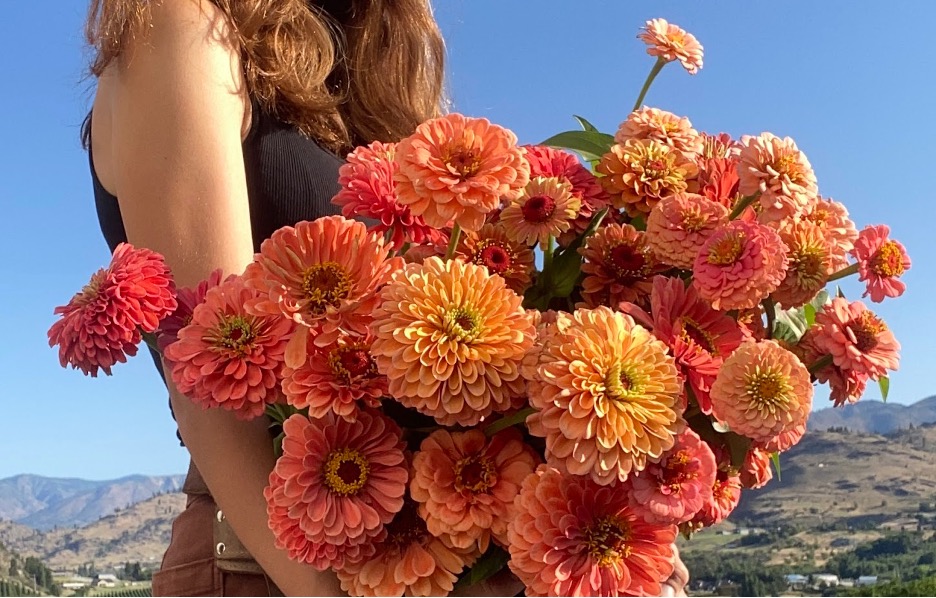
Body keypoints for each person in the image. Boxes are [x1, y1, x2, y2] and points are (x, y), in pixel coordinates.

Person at [82, 0, 689, 595]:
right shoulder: (181, 23)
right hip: (270, 568)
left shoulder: (359, 85)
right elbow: (212, 378)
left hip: (423, 560)